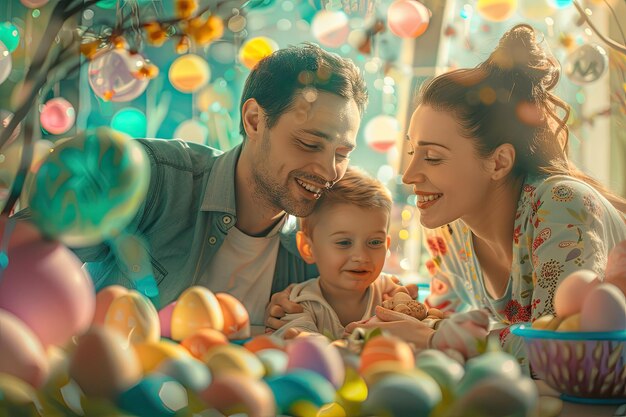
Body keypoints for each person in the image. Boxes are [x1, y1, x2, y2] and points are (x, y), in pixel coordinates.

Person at [347, 24, 626, 368]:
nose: (409, 175)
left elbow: (563, 348)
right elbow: (444, 321)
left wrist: (434, 336)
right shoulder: (447, 227)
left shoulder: (561, 204)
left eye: (433, 157)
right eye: (411, 152)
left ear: (499, 162)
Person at [69, 43, 370, 326]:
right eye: (310, 143)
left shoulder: (314, 246)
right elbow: (28, 251)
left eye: (342, 154)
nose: (330, 171)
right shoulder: (151, 176)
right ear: (254, 120)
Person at [272, 167, 410, 340]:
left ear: (387, 245)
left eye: (375, 242)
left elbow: (415, 333)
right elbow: (302, 344)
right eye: (344, 243)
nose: (361, 256)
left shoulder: (390, 293)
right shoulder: (300, 302)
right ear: (308, 248)